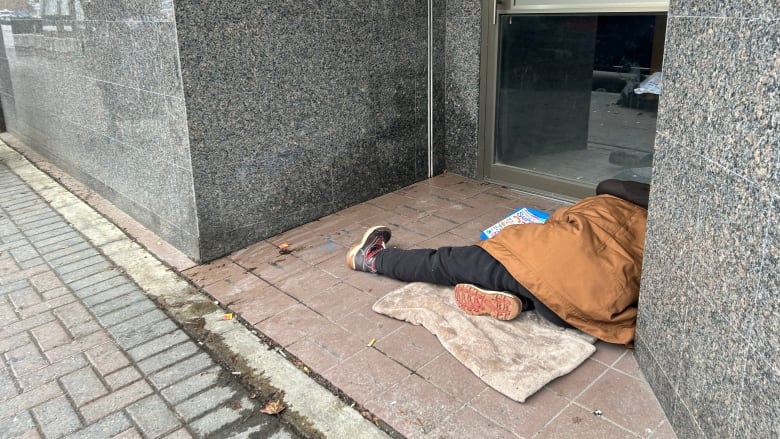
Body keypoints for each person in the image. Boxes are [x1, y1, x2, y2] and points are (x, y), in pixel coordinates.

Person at [345, 179, 650, 346]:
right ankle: (522, 301)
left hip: (537, 264)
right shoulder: (661, 238)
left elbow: (562, 221)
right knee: (547, 283)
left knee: (444, 263)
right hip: (577, 311)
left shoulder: (606, 203)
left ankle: (371, 258)